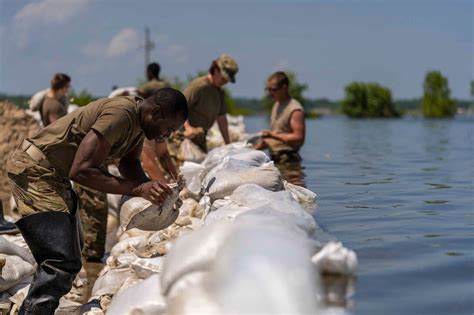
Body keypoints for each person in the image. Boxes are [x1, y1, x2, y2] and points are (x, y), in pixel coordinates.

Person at [6, 88, 188, 314]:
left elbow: (129, 164)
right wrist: (139, 187)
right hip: (35, 171)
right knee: (60, 260)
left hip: (54, 176)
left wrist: (156, 194)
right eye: (168, 129)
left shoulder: (138, 125)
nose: (167, 136)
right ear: (156, 112)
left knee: (72, 250)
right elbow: (81, 171)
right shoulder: (121, 115)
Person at [174, 53, 238, 154]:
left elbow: (221, 118)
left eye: (227, 81)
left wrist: (227, 144)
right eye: (223, 79)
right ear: (216, 70)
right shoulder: (198, 86)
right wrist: (188, 127)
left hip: (200, 139)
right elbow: (180, 107)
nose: (225, 82)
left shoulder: (219, 92)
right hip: (183, 137)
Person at [255, 71, 306, 185]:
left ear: (284, 87)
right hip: (276, 159)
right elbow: (278, 135)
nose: (270, 93)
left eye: (273, 89)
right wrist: (256, 147)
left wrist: (272, 135)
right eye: (267, 89)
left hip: (289, 162)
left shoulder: (295, 109)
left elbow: (299, 137)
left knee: (293, 194)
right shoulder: (276, 105)